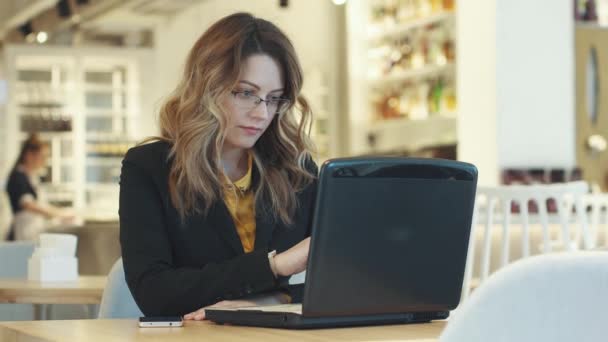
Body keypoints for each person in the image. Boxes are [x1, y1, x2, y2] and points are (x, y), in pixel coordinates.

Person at [119, 12, 318, 320]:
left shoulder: (298, 172)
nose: (261, 114)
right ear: (207, 87)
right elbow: (154, 293)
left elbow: (342, 284)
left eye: (274, 99)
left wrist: (267, 302)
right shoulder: (150, 167)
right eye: (246, 93)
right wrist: (275, 267)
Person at [5, 134, 72, 241]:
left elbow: (40, 203)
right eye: (42, 157)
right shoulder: (18, 176)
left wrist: (58, 212)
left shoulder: (32, 176)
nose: (44, 161)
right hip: (22, 232)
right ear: (29, 155)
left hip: (34, 230)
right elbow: (28, 204)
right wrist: (57, 213)